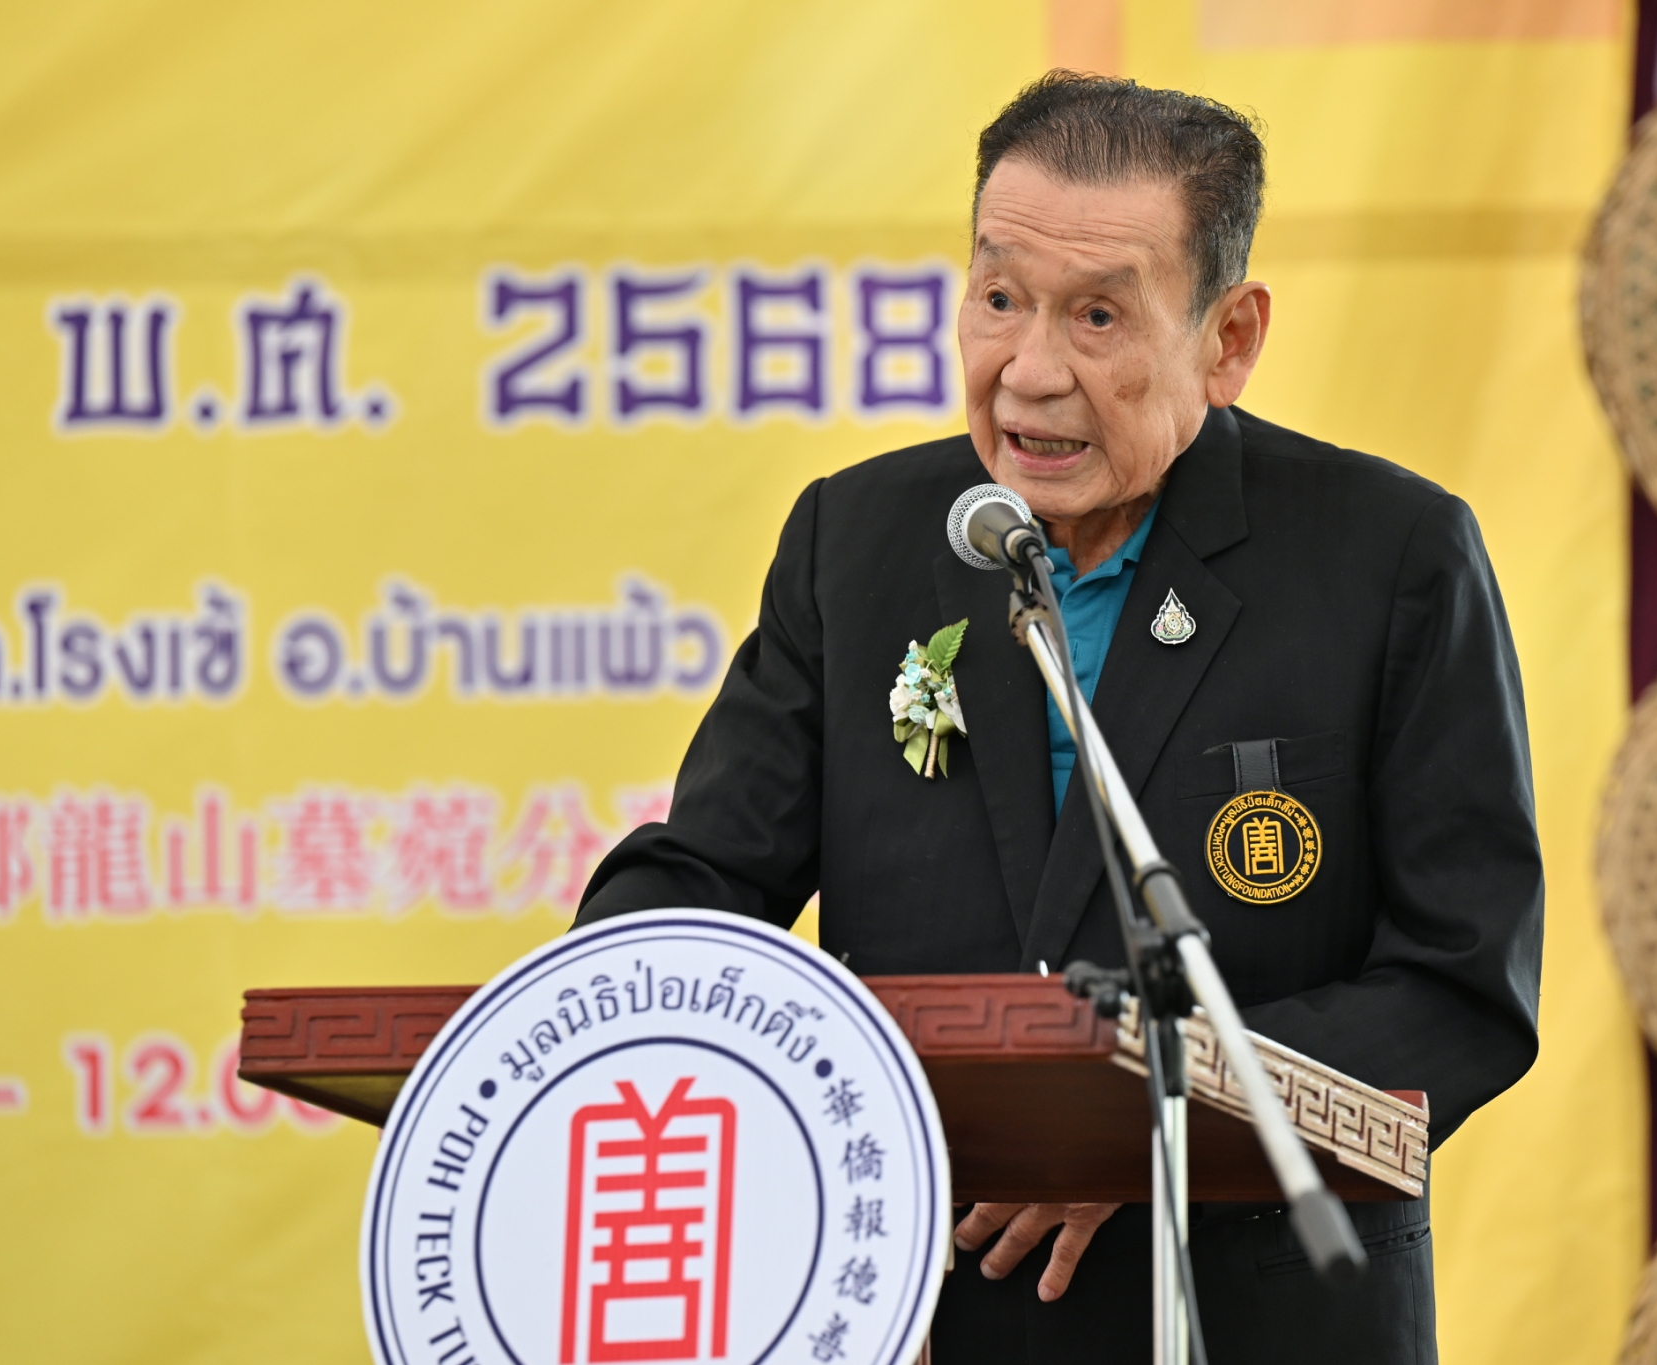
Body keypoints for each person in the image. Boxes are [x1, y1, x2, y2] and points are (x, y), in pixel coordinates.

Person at [577, 71, 1543, 1365]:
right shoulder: (855, 543)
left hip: (1260, 1314)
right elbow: (704, 874)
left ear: (1228, 337)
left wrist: (1151, 1125)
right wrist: (601, 993)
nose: (1029, 373)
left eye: (1097, 315)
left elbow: (1461, 988)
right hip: (933, 1314)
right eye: (998, 299)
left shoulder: (1389, 557)